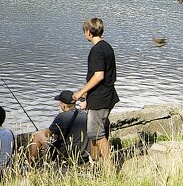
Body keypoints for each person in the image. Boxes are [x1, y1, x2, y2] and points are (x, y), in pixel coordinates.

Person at [73, 17, 119, 173]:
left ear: (89, 32)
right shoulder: (107, 47)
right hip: (106, 95)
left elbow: (98, 75)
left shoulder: (97, 50)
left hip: (101, 97)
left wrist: (81, 92)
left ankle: (109, 168)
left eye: (84, 31)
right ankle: (94, 165)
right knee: (94, 132)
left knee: (97, 133)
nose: (84, 34)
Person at [27, 90, 88, 164]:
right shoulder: (85, 114)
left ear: (63, 105)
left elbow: (47, 134)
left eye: (59, 103)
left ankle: (29, 165)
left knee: (38, 136)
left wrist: (61, 114)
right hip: (84, 155)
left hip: (66, 155)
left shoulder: (62, 117)